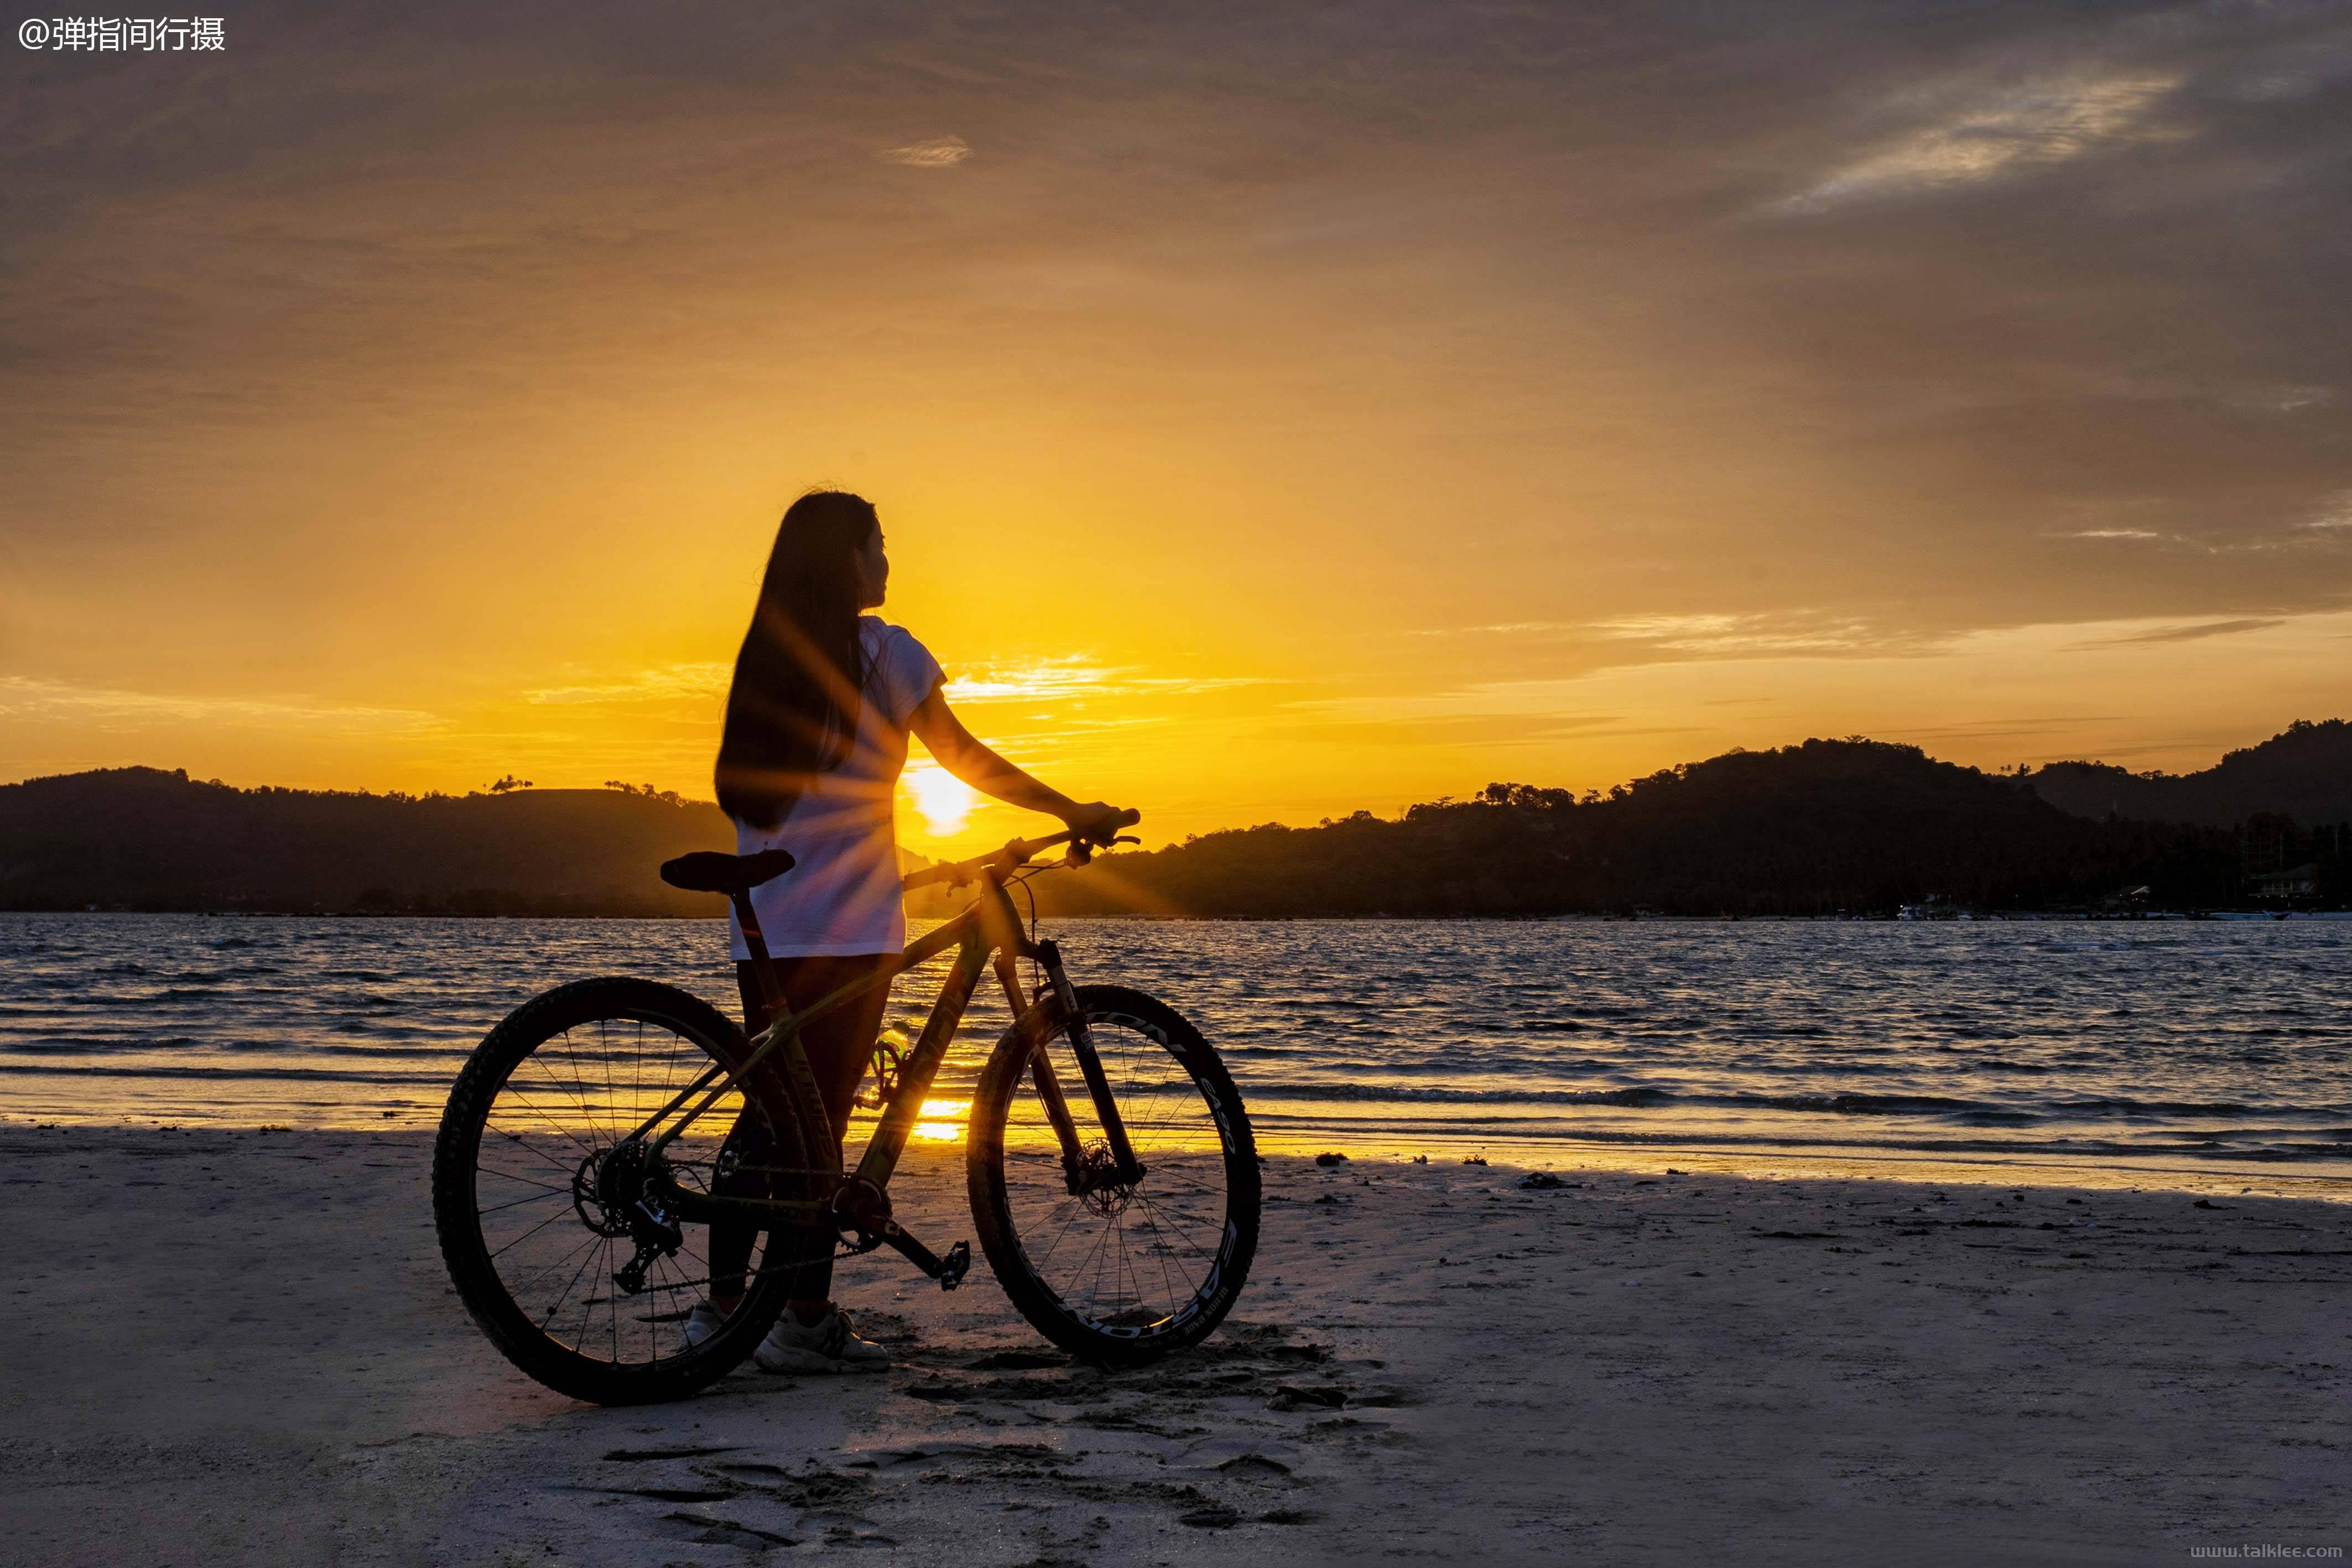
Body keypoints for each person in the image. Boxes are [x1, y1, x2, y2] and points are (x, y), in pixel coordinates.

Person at [677, 488, 1123, 1374]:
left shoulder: (769, 660)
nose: (889, 561)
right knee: (815, 1127)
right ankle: (798, 1323)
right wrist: (1070, 807)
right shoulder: (886, 653)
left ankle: (726, 1311)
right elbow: (963, 758)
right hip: (845, 926)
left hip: (765, 919)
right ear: (848, 558)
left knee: (773, 1123)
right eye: (879, 545)